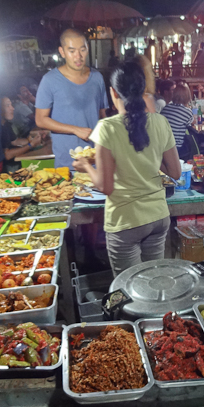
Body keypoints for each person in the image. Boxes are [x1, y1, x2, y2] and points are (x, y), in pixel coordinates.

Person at [73, 62, 181, 277]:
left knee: (130, 289)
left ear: (113, 93)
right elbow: (175, 172)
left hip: (126, 222)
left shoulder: (107, 127)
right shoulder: (160, 122)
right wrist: (150, 156)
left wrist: (86, 165)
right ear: (143, 91)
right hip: (158, 217)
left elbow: (105, 186)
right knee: (153, 282)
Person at [35, 28, 108, 169]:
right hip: (68, 165)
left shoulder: (97, 77)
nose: (78, 56)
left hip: (96, 162)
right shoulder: (49, 80)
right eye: (72, 51)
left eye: (82, 49)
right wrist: (75, 129)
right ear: (62, 52)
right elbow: (40, 119)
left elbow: (102, 116)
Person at [1, 96, 44, 172]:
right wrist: (31, 145)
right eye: (8, 105)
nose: (12, 108)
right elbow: (7, 155)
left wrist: (32, 139)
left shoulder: (6, 124)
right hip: (5, 168)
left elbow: (15, 141)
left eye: (11, 105)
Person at [160, 82, 194, 150]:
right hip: (176, 148)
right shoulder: (187, 112)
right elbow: (192, 125)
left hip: (162, 145)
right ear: (187, 96)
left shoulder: (166, 107)